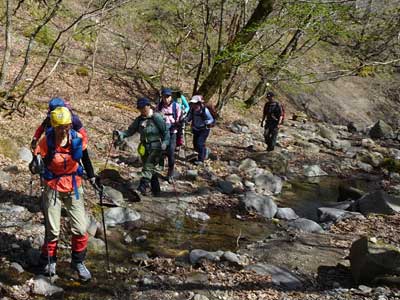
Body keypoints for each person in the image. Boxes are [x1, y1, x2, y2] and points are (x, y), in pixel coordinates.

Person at [32, 106, 97, 281]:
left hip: (74, 187)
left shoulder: (77, 138)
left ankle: (78, 262)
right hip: (53, 187)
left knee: (80, 228)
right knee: (52, 230)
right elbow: (36, 163)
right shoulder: (47, 141)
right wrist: (35, 165)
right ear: (53, 125)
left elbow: (86, 159)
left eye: (67, 126)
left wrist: (93, 178)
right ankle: (49, 260)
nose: (64, 130)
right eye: (60, 126)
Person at [114, 97, 169, 195]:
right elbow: (130, 131)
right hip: (144, 147)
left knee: (147, 168)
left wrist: (165, 143)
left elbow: (166, 131)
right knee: (149, 168)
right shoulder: (139, 120)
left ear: (148, 106)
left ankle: (141, 188)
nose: (141, 110)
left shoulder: (156, 117)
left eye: (143, 107)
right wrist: (121, 134)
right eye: (139, 108)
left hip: (155, 146)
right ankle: (156, 190)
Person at [156, 88, 182, 182]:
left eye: (168, 96)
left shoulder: (177, 107)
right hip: (162, 133)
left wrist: (174, 124)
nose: (166, 99)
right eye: (164, 97)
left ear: (171, 97)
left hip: (172, 133)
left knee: (171, 152)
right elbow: (155, 117)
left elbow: (179, 121)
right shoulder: (159, 106)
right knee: (161, 151)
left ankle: (170, 174)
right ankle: (160, 166)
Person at [186, 95, 214, 165]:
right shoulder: (192, 110)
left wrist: (207, 122)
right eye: (193, 104)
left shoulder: (205, 110)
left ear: (199, 103)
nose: (194, 105)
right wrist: (185, 120)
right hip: (195, 129)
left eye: (196, 104)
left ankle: (201, 160)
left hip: (204, 130)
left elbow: (211, 119)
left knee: (199, 143)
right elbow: (189, 118)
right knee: (195, 144)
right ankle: (203, 152)